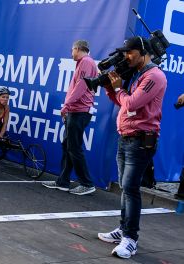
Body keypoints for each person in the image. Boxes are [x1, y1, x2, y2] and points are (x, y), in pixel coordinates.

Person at [97, 36, 167, 259]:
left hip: (141, 140)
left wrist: (118, 89)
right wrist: (111, 89)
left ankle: (131, 239)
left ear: (143, 51)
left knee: (130, 188)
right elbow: (123, 103)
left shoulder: (154, 76)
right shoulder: (138, 75)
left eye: (130, 52)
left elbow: (130, 103)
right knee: (125, 188)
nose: (127, 56)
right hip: (126, 137)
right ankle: (123, 230)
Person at [42, 40, 97, 195]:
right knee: (68, 146)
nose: (71, 53)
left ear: (77, 48)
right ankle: (63, 181)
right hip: (76, 111)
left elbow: (81, 86)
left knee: (74, 148)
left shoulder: (86, 62)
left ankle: (87, 183)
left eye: (72, 50)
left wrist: (66, 105)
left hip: (79, 111)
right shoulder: (84, 62)